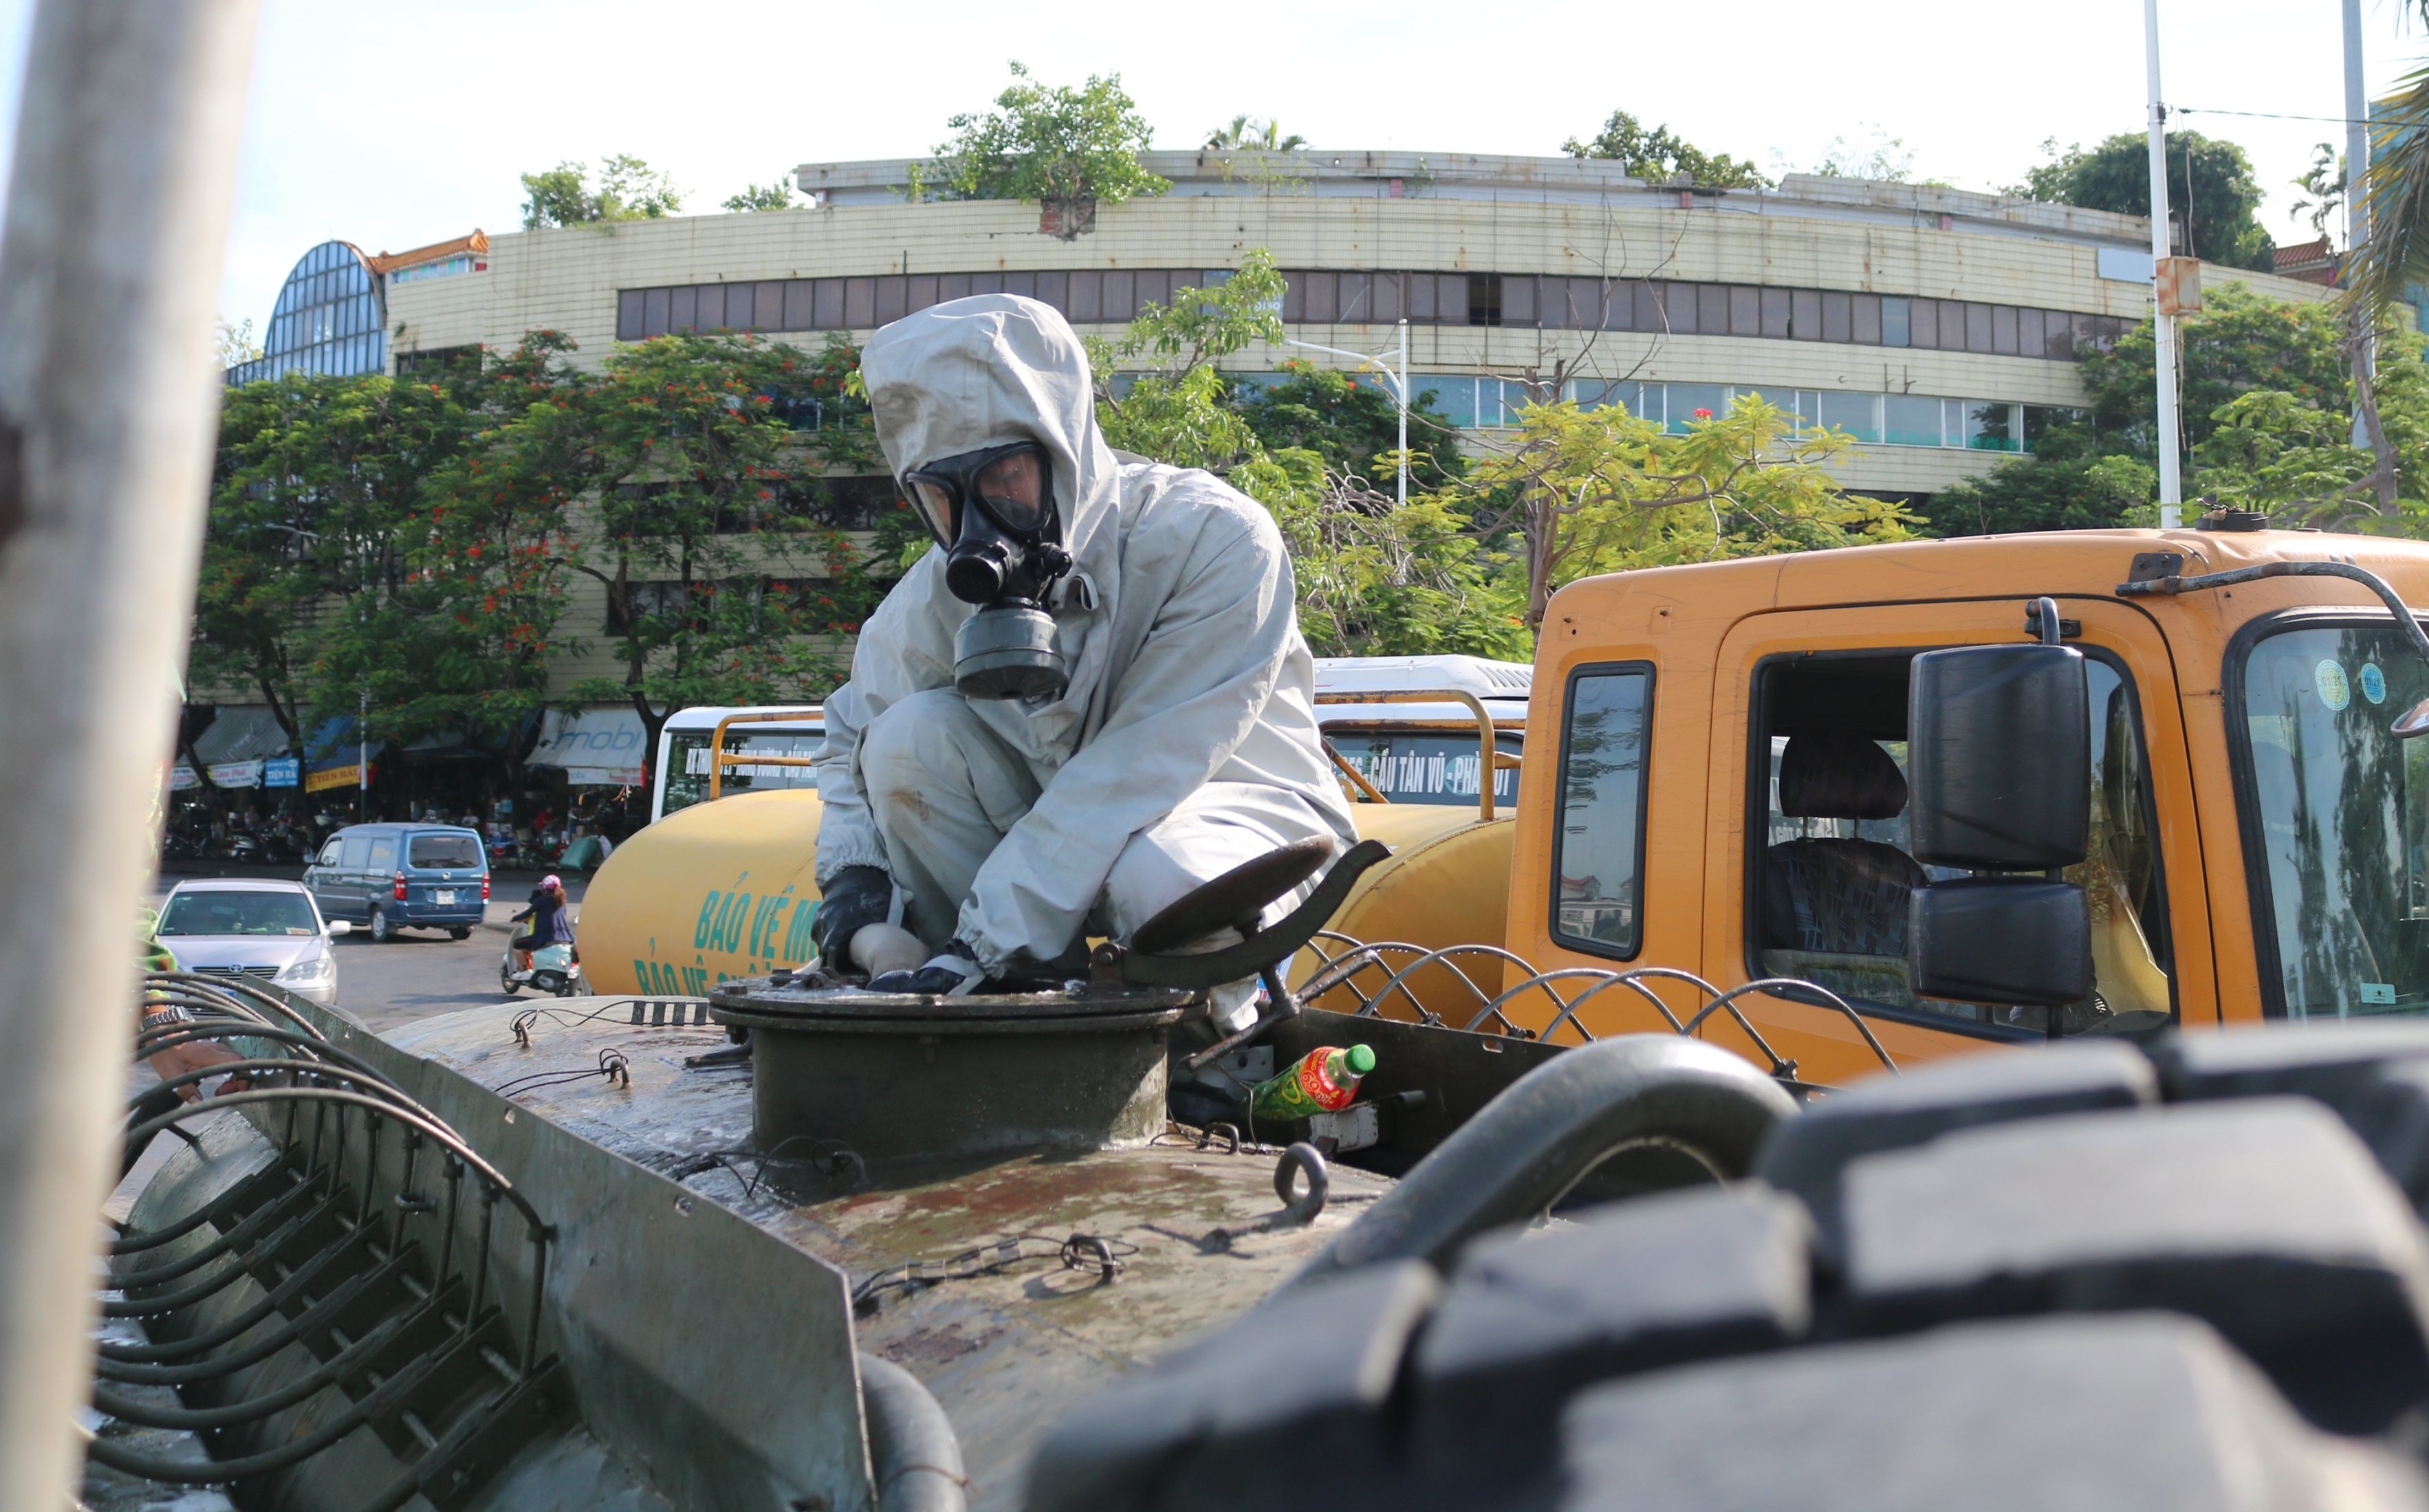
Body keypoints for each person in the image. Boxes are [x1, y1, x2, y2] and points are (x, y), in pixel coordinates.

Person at [809, 294, 1355, 1026]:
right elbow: (852, 734)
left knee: (1161, 879)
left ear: (1062, 452)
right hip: (1046, 848)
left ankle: (1211, 1040)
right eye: (944, 495)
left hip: (1226, 814)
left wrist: (981, 941)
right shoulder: (932, 600)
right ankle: (1009, 1018)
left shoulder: (1211, 539)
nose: (978, 523)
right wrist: (856, 893)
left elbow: (1135, 769)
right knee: (904, 739)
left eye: (1005, 477)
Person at [510, 873, 574, 971]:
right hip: (566, 938)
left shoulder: (542, 900)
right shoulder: (562, 903)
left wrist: (515, 918)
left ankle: (524, 971)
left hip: (545, 938)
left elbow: (528, 913)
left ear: (544, 888)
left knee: (517, 945)